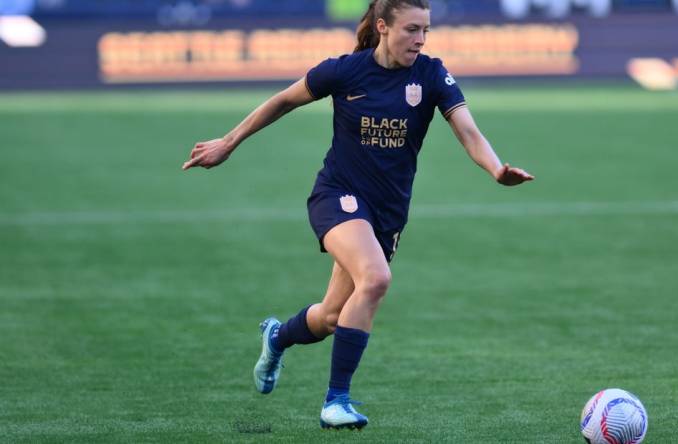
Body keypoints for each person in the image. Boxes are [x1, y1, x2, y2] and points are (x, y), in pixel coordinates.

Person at [182, 0, 534, 430]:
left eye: (426, 30)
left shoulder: (431, 74)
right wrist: (229, 141)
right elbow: (282, 101)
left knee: (332, 317)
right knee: (376, 279)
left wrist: (497, 168)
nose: (420, 40)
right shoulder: (345, 70)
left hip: (386, 214)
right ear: (383, 27)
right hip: (338, 196)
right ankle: (336, 402)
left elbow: (469, 132)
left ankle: (278, 336)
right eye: (411, 30)